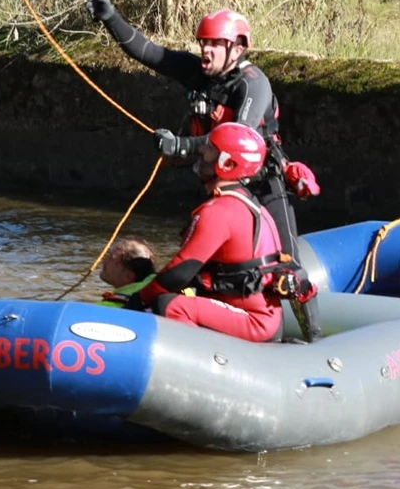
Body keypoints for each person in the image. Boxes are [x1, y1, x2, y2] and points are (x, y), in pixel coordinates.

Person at [84, 0, 321, 258]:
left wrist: (181, 146)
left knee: (287, 265)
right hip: (219, 183)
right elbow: (147, 52)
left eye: (216, 43)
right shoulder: (198, 72)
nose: (206, 49)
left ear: (238, 49)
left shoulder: (253, 84)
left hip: (263, 184)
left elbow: (236, 139)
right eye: (203, 42)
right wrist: (110, 17)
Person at [125, 123, 318, 342]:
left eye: (210, 149)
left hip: (254, 320)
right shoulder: (247, 203)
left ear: (228, 163)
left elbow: (179, 272)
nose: (202, 152)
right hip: (256, 314)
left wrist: (136, 300)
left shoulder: (220, 211)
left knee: (168, 305)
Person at [97, 237, 156, 307]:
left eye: (111, 258)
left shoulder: (106, 308)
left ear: (128, 276)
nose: (103, 261)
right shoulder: (160, 293)